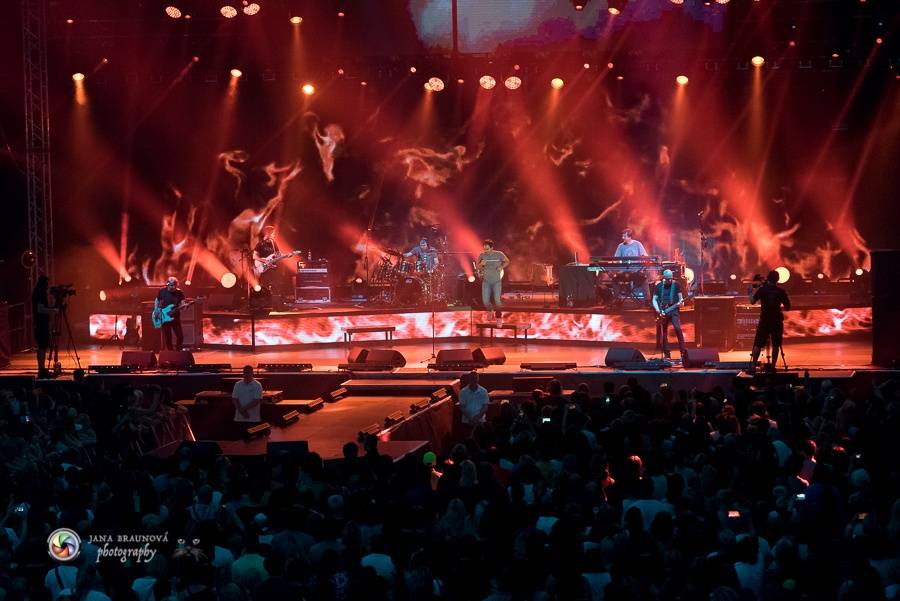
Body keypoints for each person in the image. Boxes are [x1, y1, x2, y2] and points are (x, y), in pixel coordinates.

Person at [750, 270, 791, 370]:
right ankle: (773, 367)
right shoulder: (781, 291)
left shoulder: (762, 290)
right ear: (778, 280)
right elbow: (788, 307)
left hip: (764, 320)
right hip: (776, 321)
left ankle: (753, 366)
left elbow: (752, 301)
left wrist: (750, 293)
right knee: (776, 344)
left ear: (768, 279)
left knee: (758, 344)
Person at [652, 269, 687, 362]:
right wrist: (658, 310)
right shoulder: (658, 286)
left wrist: (681, 303)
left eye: (671, 279)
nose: (669, 281)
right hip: (663, 310)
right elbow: (654, 299)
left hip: (674, 310)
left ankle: (683, 354)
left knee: (678, 329)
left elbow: (681, 298)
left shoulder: (676, 285)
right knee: (664, 333)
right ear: (664, 278)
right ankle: (667, 355)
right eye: (667, 279)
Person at [476, 239, 510, 320]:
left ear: (492, 248)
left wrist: (501, 267)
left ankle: (498, 318)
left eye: (487, 249)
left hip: (496, 281)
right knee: (485, 301)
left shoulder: (499, 254)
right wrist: (481, 264)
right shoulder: (482, 255)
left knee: (497, 300)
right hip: (486, 281)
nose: (485, 251)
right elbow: (477, 267)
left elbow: (507, 261)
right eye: (484, 249)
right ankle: (490, 310)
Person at [31, 275, 56, 377]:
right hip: (40, 323)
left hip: (41, 323)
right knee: (42, 346)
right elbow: (40, 309)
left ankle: (42, 368)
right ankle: (41, 369)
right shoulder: (39, 293)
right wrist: (52, 310)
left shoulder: (38, 292)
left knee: (43, 346)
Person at [154, 276, 186, 351]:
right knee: (168, 337)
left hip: (175, 317)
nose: (173, 287)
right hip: (165, 317)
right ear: (167, 284)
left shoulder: (179, 292)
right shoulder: (162, 291)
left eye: (175, 285)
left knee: (180, 336)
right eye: (171, 285)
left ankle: (178, 352)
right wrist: (156, 309)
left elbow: (182, 303)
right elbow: (157, 300)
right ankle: (170, 353)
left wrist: (184, 306)